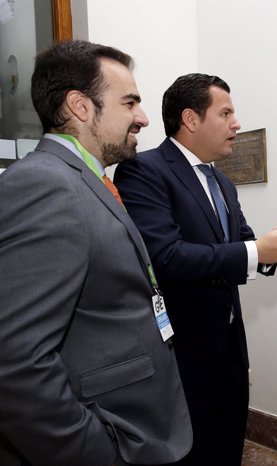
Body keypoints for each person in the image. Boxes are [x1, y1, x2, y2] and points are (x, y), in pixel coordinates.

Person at [0, 40, 192, 466]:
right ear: (80, 106)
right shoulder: (45, 185)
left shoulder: (88, 181)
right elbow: (15, 362)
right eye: (129, 103)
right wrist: (97, 452)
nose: (142, 117)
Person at [114, 73, 277, 466]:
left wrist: (276, 252)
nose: (237, 124)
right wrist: (256, 251)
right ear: (191, 119)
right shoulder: (143, 171)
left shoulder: (222, 181)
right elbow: (165, 257)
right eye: (226, 113)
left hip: (230, 354)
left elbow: (242, 243)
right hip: (182, 357)